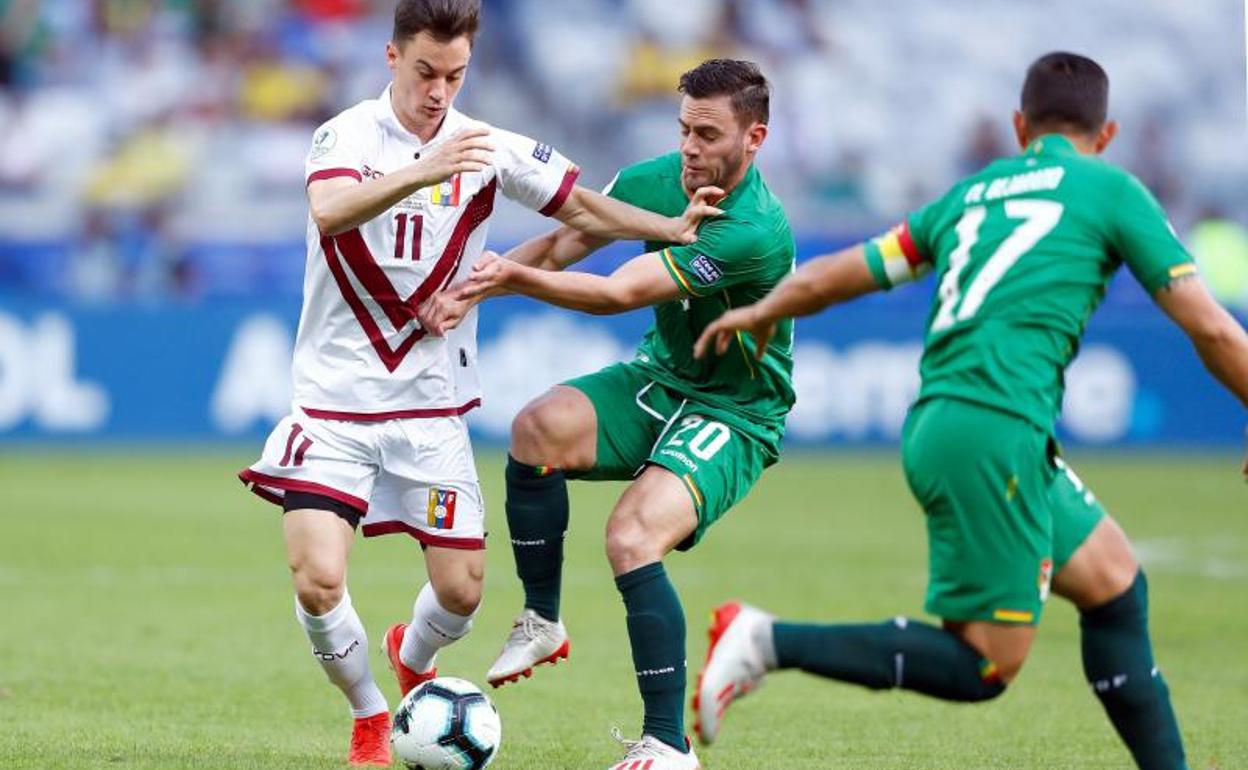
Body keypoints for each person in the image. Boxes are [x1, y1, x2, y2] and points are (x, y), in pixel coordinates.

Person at [691, 52, 1248, 770]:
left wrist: (765, 307)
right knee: (985, 663)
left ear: (1020, 127)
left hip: (951, 424)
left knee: (1113, 581)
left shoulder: (973, 194)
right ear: (1106, 135)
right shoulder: (1111, 189)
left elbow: (852, 269)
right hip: (995, 431)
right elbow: (1212, 328)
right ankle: (764, 640)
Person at [235, 1, 721, 765]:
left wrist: (667, 228)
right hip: (333, 406)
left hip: (430, 411)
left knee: (462, 594)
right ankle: (369, 715)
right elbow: (329, 211)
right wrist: (424, 170)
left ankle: (412, 658)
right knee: (318, 579)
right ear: (392, 57)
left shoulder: (486, 145)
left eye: (455, 76)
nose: (439, 91)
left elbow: (581, 207)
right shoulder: (345, 135)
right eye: (426, 72)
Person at [442, 58, 794, 770]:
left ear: (754, 139)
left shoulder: (754, 231)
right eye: (683, 129)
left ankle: (668, 746)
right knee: (536, 429)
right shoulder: (655, 180)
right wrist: (468, 288)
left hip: (735, 411)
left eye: (707, 135)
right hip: (660, 378)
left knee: (632, 536)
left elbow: (618, 293)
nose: (689, 148)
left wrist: (515, 279)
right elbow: (562, 243)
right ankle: (542, 619)